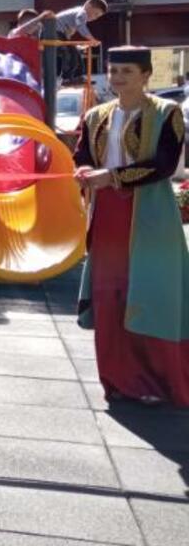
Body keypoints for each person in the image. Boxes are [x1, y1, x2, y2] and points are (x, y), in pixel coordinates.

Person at [74, 46, 189, 407]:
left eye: (127, 71)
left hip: (152, 215)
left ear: (146, 75)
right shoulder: (95, 115)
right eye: (114, 71)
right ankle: (118, 380)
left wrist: (112, 176)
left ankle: (157, 381)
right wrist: (84, 171)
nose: (118, 77)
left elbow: (164, 164)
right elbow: (82, 156)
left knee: (152, 295)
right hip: (107, 215)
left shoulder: (167, 112)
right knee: (110, 296)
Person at [9, 0, 108, 82]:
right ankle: (70, 76)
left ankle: (75, 76)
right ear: (89, 6)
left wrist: (76, 45)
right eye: (95, 14)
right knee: (68, 53)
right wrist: (91, 39)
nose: (95, 18)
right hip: (54, 33)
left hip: (56, 34)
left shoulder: (77, 13)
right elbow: (80, 27)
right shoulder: (81, 13)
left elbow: (67, 34)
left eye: (97, 16)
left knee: (73, 53)